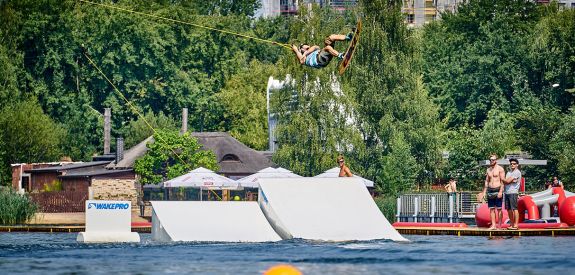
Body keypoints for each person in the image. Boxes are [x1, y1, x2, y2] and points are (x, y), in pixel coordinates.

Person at [481, 154, 505, 230]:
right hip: (490, 190)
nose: (492, 161)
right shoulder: (488, 170)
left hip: (497, 189)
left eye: (493, 160)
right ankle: (493, 225)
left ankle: (499, 225)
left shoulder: (500, 169)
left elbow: (503, 181)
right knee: (491, 209)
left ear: (496, 160)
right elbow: (487, 181)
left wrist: (501, 191)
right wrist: (484, 192)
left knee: (499, 209)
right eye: (490, 160)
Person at [503, 158, 521, 230]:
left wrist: (503, 179)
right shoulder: (509, 172)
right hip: (507, 192)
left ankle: (516, 225)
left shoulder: (517, 172)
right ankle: (511, 224)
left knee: (514, 209)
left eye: (514, 164)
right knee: (509, 209)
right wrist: (507, 181)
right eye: (511, 164)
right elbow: (507, 181)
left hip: (513, 192)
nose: (512, 165)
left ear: (517, 165)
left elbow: (507, 181)